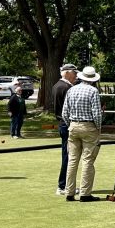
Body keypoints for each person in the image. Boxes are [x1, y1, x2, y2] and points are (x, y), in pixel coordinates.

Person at [61, 66, 103, 202]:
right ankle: (85, 193)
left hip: (73, 125)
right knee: (87, 160)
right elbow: (97, 113)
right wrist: (98, 128)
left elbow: (64, 113)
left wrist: (70, 124)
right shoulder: (93, 91)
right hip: (89, 126)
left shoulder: (71, 90)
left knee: (72, 160)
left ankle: (69, 192)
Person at [52, 63, 78, 195]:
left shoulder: (58, 85)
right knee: (68, 156)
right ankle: (63, 185)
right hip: (66, 123)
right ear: (67, 73)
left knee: (68, 155)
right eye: (74, 73)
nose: (76, 76)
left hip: (62, 122)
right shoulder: (67, 87)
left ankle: (66, 185)